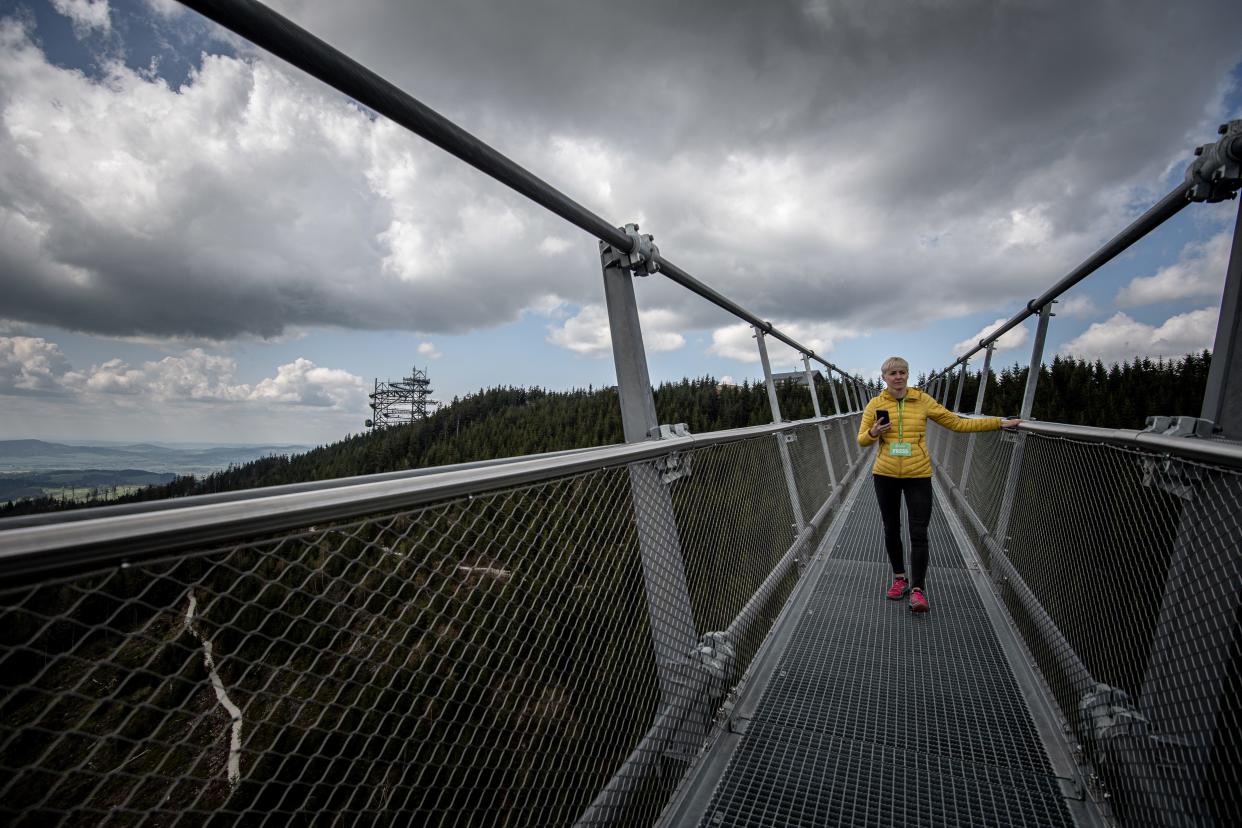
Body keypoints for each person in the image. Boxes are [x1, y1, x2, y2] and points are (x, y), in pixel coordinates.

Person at [857, 357, 1020, 613]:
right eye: (892, 373)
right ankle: (900, 579)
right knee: (891, 528)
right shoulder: (875, 404)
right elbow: (861, 441)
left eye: (902, 372)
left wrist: (998, 422)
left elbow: (956, 423)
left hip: (918, 474)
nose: (898, 377)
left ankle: (919, 590)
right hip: (885, 474)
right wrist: (874, 433)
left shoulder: (923, 401)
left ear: (908, 375)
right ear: (884, 378)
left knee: (918, 532)